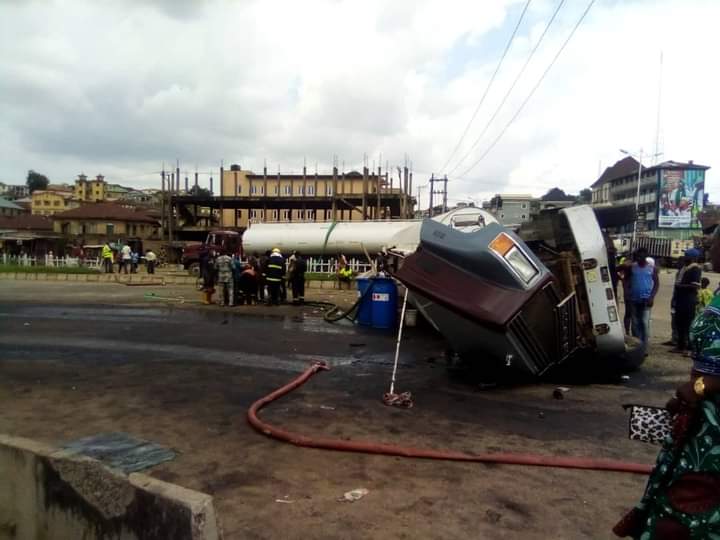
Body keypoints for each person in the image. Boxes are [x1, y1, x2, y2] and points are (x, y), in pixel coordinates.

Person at [613, 230, 720, 539]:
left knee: (688, 510)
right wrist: (688, 395)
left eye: (715, 242)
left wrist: (703, 386)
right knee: (673, 495)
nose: (709, 246)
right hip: (700, 420)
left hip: (714, 431)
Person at [625, 247, 659, 351]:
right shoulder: (632, 267)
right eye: (637, 256)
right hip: (634, 299)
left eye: (640, 256)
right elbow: (626, 280)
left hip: (646, 300)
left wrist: (652, 297)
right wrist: (627, 292)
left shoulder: (651, 268)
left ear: (645, 256)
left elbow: (656, 284)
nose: (638, 258)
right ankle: (637, 347)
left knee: (644, 323)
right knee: (635, 323)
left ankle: (644, 348)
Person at [672, 248, 703, 355]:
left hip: (688, 300)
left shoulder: (695, 269)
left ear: (693, 258)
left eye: (687, 255)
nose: (685, 256)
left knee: (688, 323)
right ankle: (680, 346)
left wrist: (681, 286)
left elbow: (695, 285)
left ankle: (690, 348)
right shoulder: (685, 268)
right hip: (681, 299)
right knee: (679, 322)